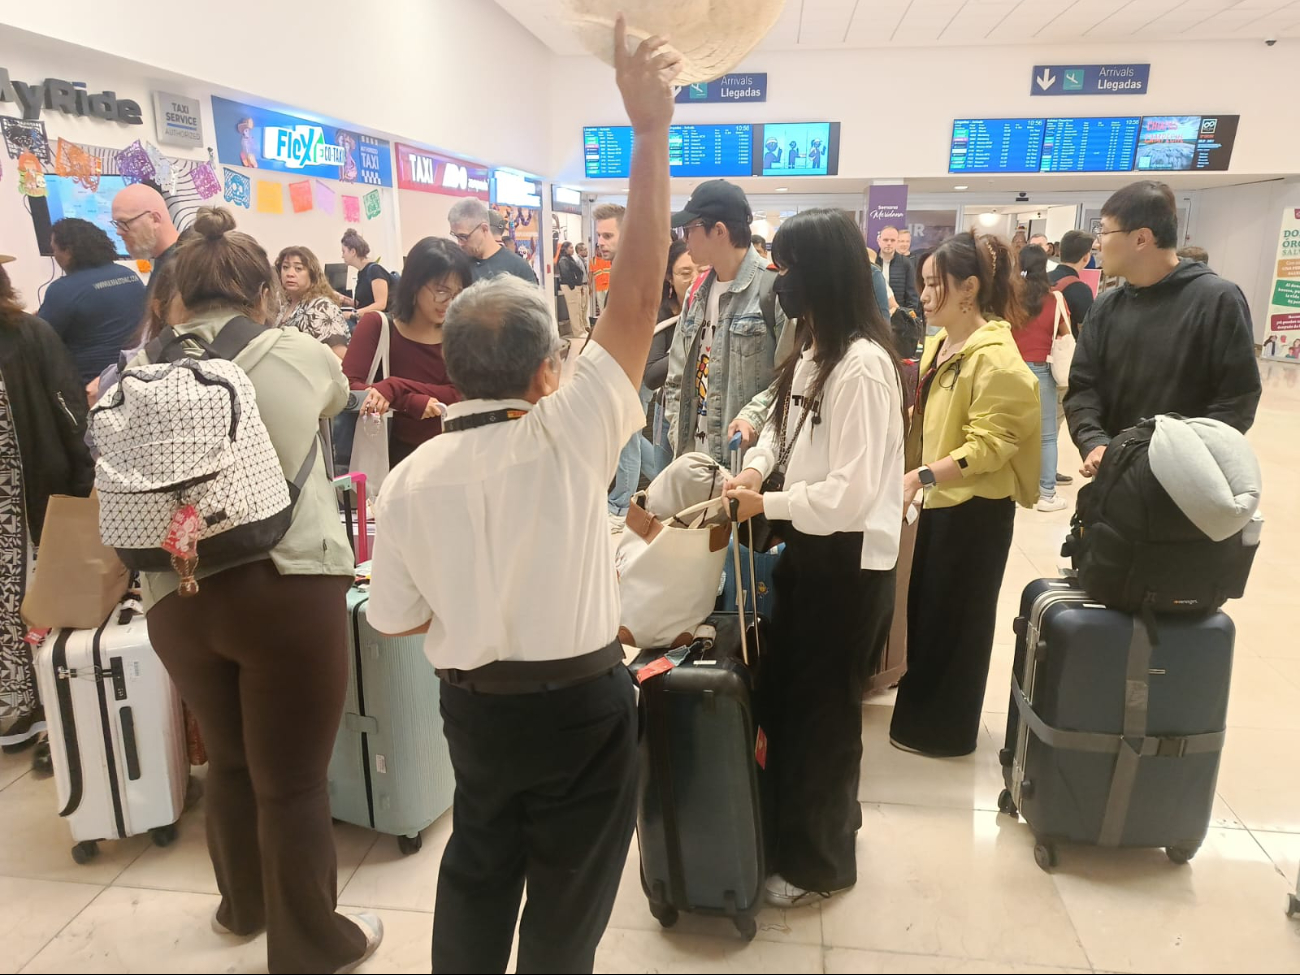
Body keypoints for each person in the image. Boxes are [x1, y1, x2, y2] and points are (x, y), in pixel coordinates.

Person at [366, 23, 679, 973]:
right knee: (571, 893)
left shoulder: (409, 479)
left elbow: (394, 620)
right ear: (549, 370)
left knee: (475, 870)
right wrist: (650, 133)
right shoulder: (570, 432)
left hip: (476, 712)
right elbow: (634, 304)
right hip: (582, 704)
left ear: (452, 372)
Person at [134, 208, 382, 974]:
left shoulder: (136, 371)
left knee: (232, 761)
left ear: (175, 293)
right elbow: (339, 402)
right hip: (286, 588)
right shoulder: (296, 353)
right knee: (295, 780)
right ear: (263, 292)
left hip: (174, 594)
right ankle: (312, 944)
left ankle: (241, 907)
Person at [723, 208, 906, 908]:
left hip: (849, 566)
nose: (781, 281)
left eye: (791, 267)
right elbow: (782, 428)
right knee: (795, 705)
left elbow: (851, 495)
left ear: (823, 275)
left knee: (825, 717)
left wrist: (765, 506)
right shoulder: (814, 350)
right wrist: (756, 471)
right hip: (811, 551)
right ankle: (809, 833)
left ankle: (822, 864)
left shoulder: (862, 367)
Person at [889, 232, 1039, 758]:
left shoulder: (996, 358)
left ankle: (945, 732)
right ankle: (918, 721)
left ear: (969, 289)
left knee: (960, 621)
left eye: (936, 285)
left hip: (975, 509)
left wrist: (923, 476)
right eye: (924, 284)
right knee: (927, 613)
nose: (924, 296)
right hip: (938, 504)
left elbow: (993, 444)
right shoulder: (939, 343)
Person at [1065, 181, 1261, 478]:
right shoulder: (1106, 306)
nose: (1097, 244)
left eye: (1104, 231)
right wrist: (1094, 442)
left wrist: (1176, 458)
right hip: (1115, 482)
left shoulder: (1217, 300)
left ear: (1141, 238)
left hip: (1184, 487)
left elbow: (1238, 399)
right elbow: (1083, 388)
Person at [0, 260, 94, 753]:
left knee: (34, 598)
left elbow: (67, 405)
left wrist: (84, 476)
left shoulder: (26, 334)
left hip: (27, 496)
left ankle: (39, 705)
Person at [663, 179, 790, 466]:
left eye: (690, 229)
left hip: (745, 462)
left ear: (718, 231)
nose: (684, 238)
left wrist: (752, 419)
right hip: (693, 458)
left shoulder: (773, 290)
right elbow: (676, 375)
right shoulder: (697, 292)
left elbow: (790, 379)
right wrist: (677, 435)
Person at [342, 237, 472, 467]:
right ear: (414, 284)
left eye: (458, 294)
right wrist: (409, 402)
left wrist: (394, 388)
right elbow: (349, 390)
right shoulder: (378, 326)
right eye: (441, 291)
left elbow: (460, 394)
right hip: (387, 458)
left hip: (449, 456)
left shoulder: (459, 334)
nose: (449, 302)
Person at [37, 217, 146, 383]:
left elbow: (39, 341)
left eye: (55, 250)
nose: (55, 256)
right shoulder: (128, 274)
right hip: (135, 374)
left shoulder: (63, 289)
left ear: (68, 251)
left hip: (92, 385)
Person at [1013, 245, 1070, 513]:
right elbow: (1064, 331)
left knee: (1008, 431)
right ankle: (1047, 494)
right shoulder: (1055, 298)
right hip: (1041, 369)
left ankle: (1010, 487)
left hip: (1009, 368)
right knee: (1046, 437)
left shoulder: (1009, 297)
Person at [644, 239, 697, 474]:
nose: (695, 278)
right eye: (685, 272)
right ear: (669, 277)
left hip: (708, 412)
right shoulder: (664, 314)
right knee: (663, 481)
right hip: (669, 411)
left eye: (702, 270)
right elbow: (653, 374)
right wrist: (696, 342)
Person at [448, 198, 539, 284]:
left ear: (484, 229)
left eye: (464, 237)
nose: (460, 243)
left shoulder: (517, 268)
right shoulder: (459, 266)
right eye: (457, 237)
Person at [273, 246, 349, 342]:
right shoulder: (285, 306)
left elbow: (339, 355)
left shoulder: (322, 307)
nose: (290, 274)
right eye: (285, 267)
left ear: (312, 274)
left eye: (298, 268)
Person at [111, 183, 181, 279]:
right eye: (117, 223)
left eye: (124, 222)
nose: (118, 232)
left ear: (155, 219)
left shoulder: (184, 267)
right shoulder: (167, 263)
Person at [1048, 229, 1096, 338]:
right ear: (1086, 257)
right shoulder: (1081, 289)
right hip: (1063, 351)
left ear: (1060, 252)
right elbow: (1086, 332)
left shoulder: (1041, 279)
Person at [337, 229, 390, 319]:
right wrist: (344, 299)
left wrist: (353, 314)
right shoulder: (362, 273)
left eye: (344, 251)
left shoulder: (375, 270)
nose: (342, 255)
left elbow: (381, 304)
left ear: (353, 252)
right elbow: (362, 304)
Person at [875, 226, 920, 313]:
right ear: (879, 241)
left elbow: (912, 295)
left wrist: (907, 317)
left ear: (896, 242)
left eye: (892, 240)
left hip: (898, 318)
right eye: (885, 240)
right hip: (875, 315)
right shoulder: (871, 262)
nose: (889, 243)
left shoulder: (906, 263)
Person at [556, 240, 588, 339]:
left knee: (578, 309)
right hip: (570, 287)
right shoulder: (563, 260)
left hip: (576, 286)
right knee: (574, 310)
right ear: (565, 249)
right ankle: (577, 332)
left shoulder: (569, 259)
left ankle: (582, 329)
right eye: (570, 247)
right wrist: (573, 285)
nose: (572, 249)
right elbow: (566, 274)